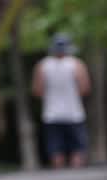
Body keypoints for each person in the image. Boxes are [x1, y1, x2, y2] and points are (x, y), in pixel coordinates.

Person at [31, 33, 90, 168]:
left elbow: (37, 91)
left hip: (51, 113)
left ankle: (59, 176)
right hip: (74, 113)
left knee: (55, 148)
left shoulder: (43, 65)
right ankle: (76, 178)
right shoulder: (77, 64)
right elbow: (85, 88)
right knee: (78, 147)